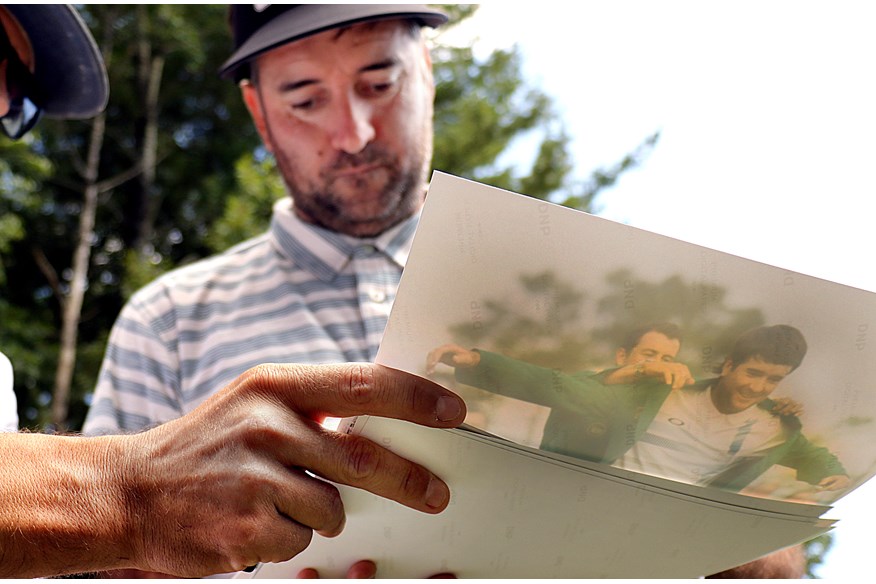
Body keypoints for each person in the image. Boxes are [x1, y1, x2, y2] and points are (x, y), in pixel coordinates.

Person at [0, 6, 466, 579]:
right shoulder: (166, 321)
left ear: (425, 68)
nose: (354, 134)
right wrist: (134, 502)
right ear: (259, 114)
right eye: (304, 99)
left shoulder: (564, 287)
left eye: (379, 84)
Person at [428, 324, 849, 494]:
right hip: (603, 496)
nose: (757, 388)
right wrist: (480, 364)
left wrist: (833, 473)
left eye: (772, 380)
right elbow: (564, 389)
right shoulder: (659, 392)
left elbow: (808, 453)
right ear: (728, 366)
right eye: (752, 373)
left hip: (675, 525)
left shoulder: (775, 425)